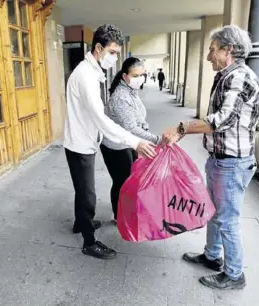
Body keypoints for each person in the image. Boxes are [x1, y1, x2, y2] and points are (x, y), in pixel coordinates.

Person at [162, 25, 259, 290]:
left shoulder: (239, 77)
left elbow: (222, 120)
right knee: (216, 213)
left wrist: (183, 128)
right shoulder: (226, 75)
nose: (208, 56)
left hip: (232, 163)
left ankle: (234, 274)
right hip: (221, 160)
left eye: (212, 49)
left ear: (228, 49)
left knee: (227, 218)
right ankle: (212, 256)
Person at [63, 24, 157, 260]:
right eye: (113, 52)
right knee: (88, 194)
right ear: (98, 48)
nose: (115, 58)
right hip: (79, 143)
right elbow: (101, 119)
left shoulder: (92, 72)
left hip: (85, 140)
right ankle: (88, 242)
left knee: (82, 190)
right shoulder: (85, 76)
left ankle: (80, 223)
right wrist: (134, 142)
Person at [100, 57, 160, 223]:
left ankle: (128, 208)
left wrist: (146, 128)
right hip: (115, 145)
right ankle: (119, 216)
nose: (140, 79)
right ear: (125, 76)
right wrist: (157, 139)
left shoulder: (132, 92)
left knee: (131, 178)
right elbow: (131, 128)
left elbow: (139, 118)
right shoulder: (121, 97)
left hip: (129, 142)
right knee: (121, 181)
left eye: (142, 75)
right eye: (135, 75)